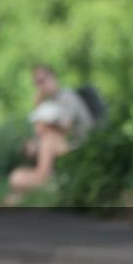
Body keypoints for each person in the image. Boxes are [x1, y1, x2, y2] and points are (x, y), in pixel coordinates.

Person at [7, 64, 95, 197]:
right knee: (17, 175)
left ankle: (44, 181)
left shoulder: (67, 97)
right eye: (37, 83)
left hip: (82, 146)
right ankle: (46, 183)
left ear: (53, 78)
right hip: (65, 148)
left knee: (48, 140)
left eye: (43, 80)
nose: (40, 86)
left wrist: (43, 129)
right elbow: (41, 131)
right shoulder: (51, 102)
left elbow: (66, 131)